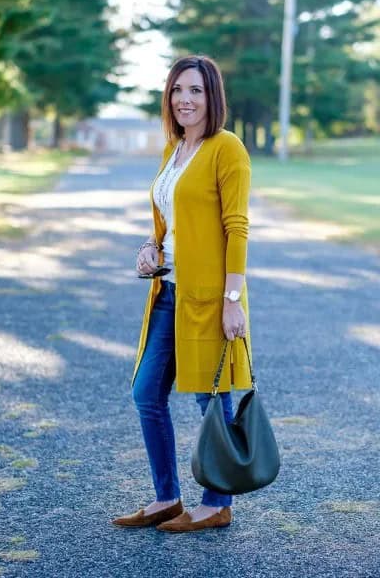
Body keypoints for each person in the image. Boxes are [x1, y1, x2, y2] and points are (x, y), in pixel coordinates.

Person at [112, 55, 252, 533]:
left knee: (211, 398)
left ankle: (216, 503)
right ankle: (167, 497)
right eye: (177, 90)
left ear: (212, 97)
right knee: (146, 392)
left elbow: (236, 227)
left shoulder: (226, 148)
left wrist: (232, 302)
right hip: (168, 292)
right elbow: (169, 220)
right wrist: (150, 247)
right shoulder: (174, 150)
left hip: (211, 296)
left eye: (195, 90)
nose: (185, 100)